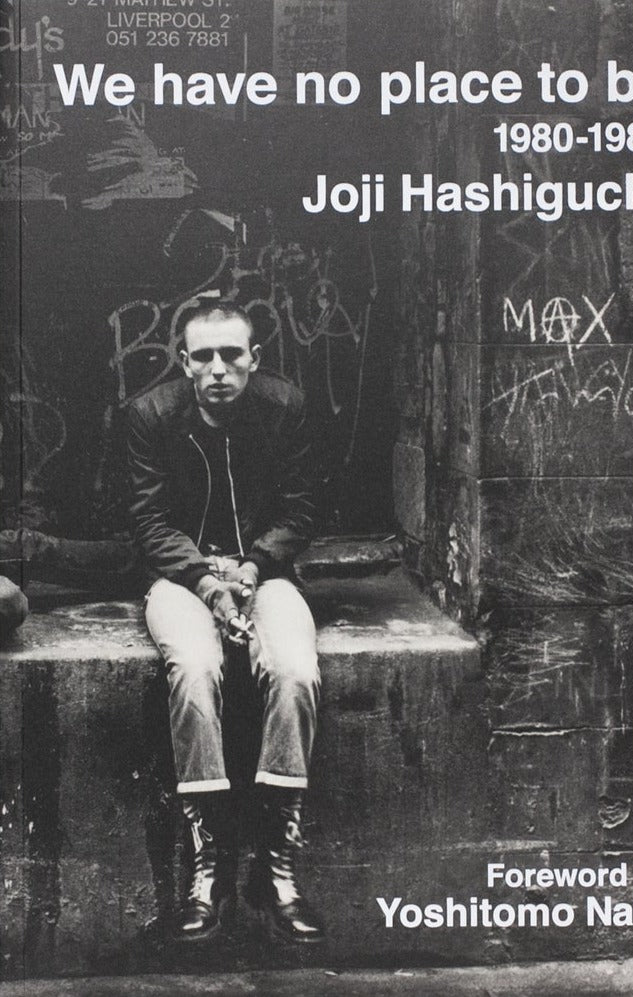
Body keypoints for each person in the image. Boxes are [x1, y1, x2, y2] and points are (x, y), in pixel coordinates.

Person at [127, 299, 323, 945]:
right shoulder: (151, 414)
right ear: (184, 361)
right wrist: (208, 582)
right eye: (204, 356)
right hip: (182, 577)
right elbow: (150, 521)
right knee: (193, 669)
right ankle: (206, 868)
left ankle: (277, 864)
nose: (218, 369)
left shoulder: (285, 407)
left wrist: (253, 568)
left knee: (294, 670)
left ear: (253, 358)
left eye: (231, 355)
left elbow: (302, 508)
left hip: (265, 573)